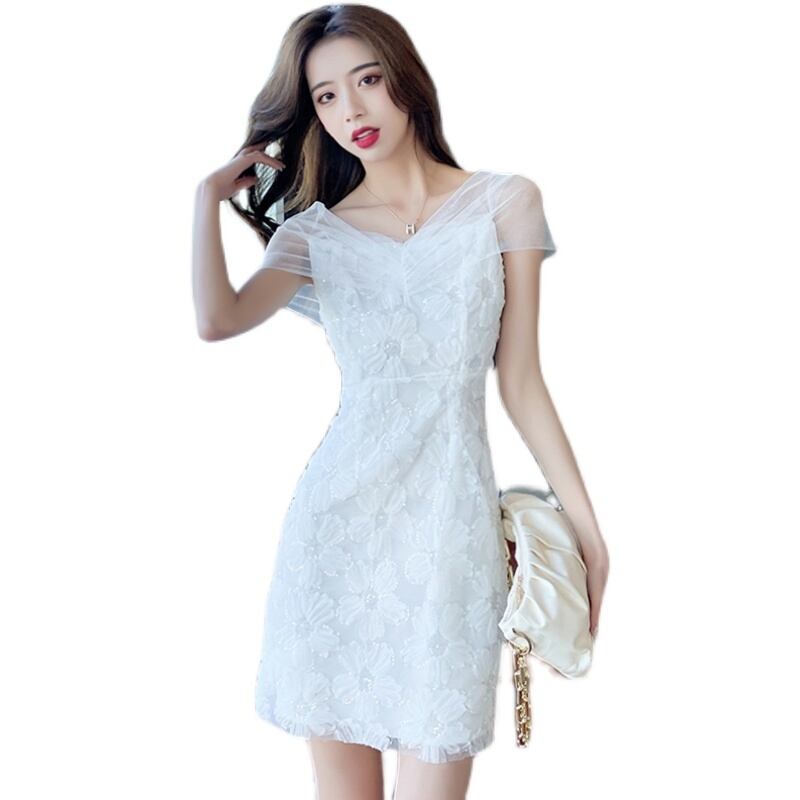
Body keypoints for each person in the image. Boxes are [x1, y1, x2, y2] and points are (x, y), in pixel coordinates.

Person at [192, 4, 609, 799]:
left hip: (449, 539)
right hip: (335, 538)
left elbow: (521, 379)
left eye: (368, 80)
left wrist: (587, 530)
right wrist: (204, 200)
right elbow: (217, 320)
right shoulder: (314, 235)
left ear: (405, 80)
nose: (351, 109)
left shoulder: (504, 202)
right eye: (325, 96)